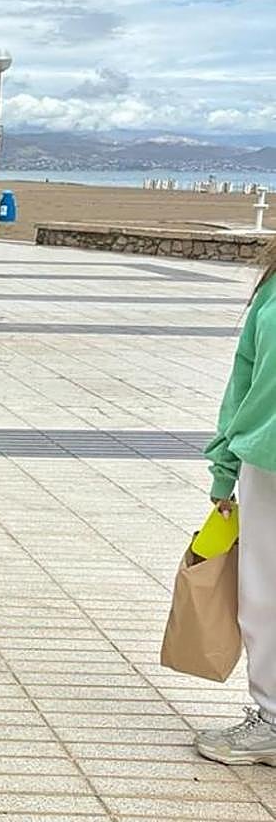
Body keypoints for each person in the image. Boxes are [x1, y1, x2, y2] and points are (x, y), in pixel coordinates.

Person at [196, 244, 276, 767]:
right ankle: (271, 717)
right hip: (267, 461)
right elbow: (244, 379)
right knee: (263, 595)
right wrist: (225, 465)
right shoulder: (271, 289)